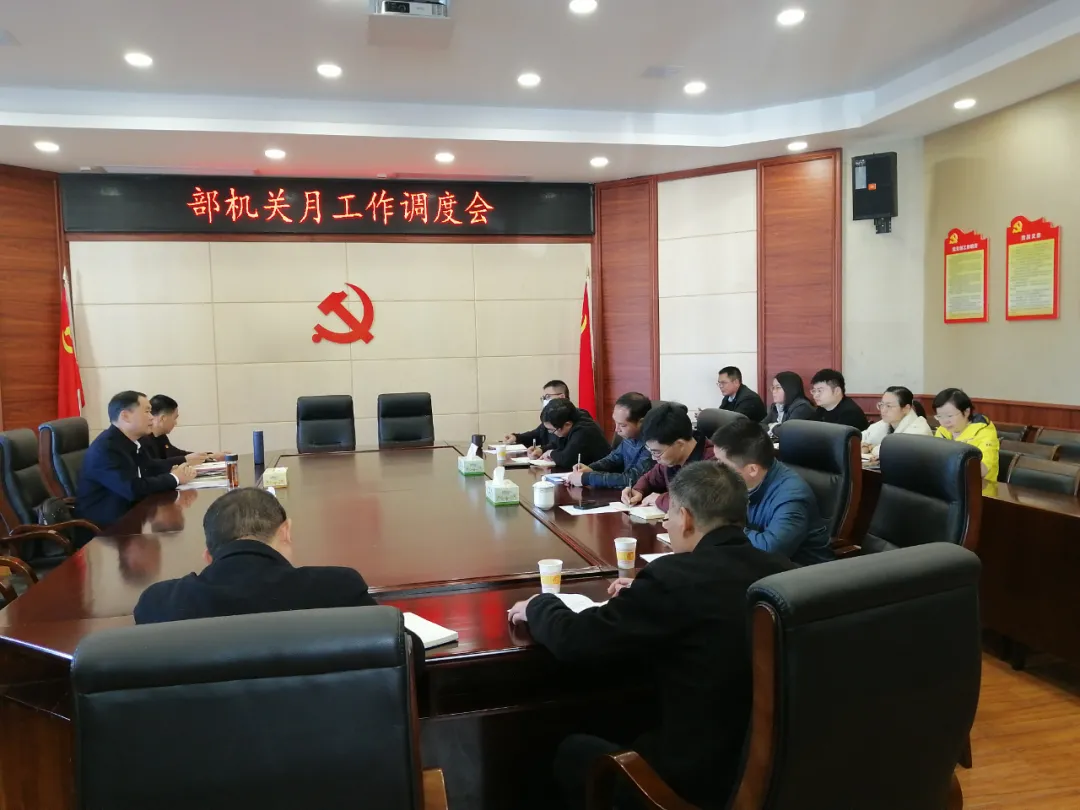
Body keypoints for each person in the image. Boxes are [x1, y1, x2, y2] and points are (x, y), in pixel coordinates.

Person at [507, 463, 796, 809]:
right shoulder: (784, 570)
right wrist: (646, 593)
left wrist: (540, 605)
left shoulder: (673, 579)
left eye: (669, 515)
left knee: (571, 751)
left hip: (694, 783)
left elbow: (577, 640)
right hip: (777, 771)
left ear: (685, 518)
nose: (668, 524)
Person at [133, 488, 425, 677]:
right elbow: (407, 652)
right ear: (286, 532)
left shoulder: (159, 604)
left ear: (209, 555)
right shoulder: (336, 588)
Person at [711, 418, 834, 565]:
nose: (717, 468)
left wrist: (724, 529)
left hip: (801, 572)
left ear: (752, 469)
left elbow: (770, 550)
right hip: (754, 563)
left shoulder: (792, 497)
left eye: (722, 464)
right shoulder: (741, 479)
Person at [75, 390, 196, 535]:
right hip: (105, 531)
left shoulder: (131, 441)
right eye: (147, 411)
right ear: (125, 416)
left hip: (131, 518)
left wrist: (177, 471)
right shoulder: (106, 449)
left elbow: (149, 467)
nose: (152, 417)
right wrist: (174, 478)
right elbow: (132, 489)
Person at [623, 402, 713, 512]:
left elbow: (696, 503)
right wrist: (638, 490)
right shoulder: (672, 459)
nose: (653, 458)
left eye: (656, 452)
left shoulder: (712, 463)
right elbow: (649, 479)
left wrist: (659, 499)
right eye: (650, 450)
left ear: (679, 444)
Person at [566, 392, 653, 489]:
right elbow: (613, 458)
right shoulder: (631, 436)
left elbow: (631, 479)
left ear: (641, 422)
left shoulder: (653, 445)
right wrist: (590, 468)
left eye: (622, 425)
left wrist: (587, 478)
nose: (616, 429)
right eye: (615, 422)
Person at [933, 388, 1000, 485]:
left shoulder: (984, 432)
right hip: (948, 484)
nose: (945, 421)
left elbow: (982, 471)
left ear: (966, 412)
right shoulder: (942, 431)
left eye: (949, 416)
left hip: (980, 488)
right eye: (940, 416)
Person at [144, 394, 225, 466]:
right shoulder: (143, 440)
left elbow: (176, 454)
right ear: (163, 418)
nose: (175, 423)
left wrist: (210, 456)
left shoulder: (161, 437)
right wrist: (185, 460)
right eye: (175, 418)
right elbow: (154, 466)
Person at [504, 379, 571, 458]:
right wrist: (516, 437)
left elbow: (560, 445)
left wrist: (542, 450)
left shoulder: (570, 417)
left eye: (548, 397)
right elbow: (536, 434)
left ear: (562, 397)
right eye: (544, 397)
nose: (545, 400)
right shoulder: (549, 416)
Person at [862, 386, 932, 459]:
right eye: (882, 405)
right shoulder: (886, 422)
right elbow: (862, 437)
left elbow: (891, 451)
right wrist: (864, 445)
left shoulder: (918, 429)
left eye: (889, 406)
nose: (883, 410)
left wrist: (871, 447)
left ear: (906, 408)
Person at [538, 398, 610, 468]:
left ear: (568, 424)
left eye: (552, 430)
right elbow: (558, 445)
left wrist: (550, 453)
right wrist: (542, 450)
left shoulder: (584, 430)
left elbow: (567, 460)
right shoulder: (571, 419)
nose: (551, 433)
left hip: (601, 472)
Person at [761, 371, 815, 438]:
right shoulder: (776, 406)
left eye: (778, 388)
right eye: (773, 388)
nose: (774, 391)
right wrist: (776, 428)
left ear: (790, 389)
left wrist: (772, 426)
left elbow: (787, 432)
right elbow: (761, 425)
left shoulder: (802, 407)